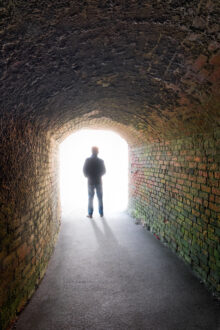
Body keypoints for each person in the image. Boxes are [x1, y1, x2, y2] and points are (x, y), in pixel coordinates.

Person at [83, 146, 106, 218]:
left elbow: (84, 170)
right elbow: (104, 171)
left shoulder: (87, 160)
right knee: (100, 198)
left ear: (91, 151)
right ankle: (101, 213)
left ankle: (90, 214)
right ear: (98, 152)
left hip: (90, 181)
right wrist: (99, 175)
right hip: (99, 181)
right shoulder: (101, 161)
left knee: (90, 198)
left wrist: (88, 176)